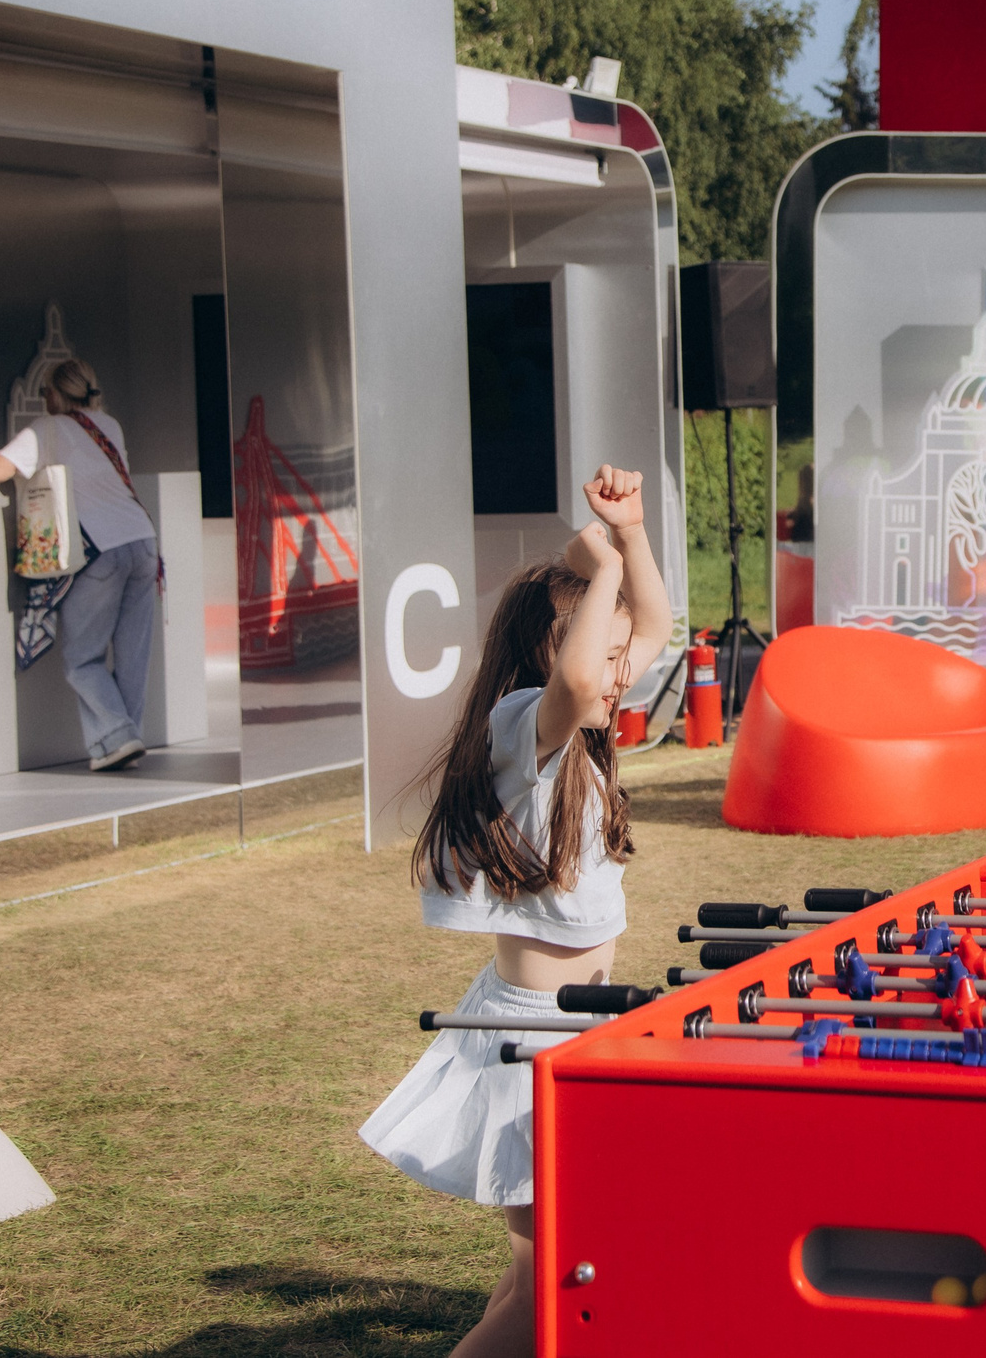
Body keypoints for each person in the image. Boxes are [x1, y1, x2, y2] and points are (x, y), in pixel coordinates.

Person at [361, 466, 672, 1358]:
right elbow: (577, 677)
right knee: (552, 1282)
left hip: (574, 1029)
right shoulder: (523, 721)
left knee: (540, 1267)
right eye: (608, 656)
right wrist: (600, 564)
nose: (622, 675)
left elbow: (654, 628)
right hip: (533, 1040)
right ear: (551, 645)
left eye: (622, 660)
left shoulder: (580, 727)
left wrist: (630, 534)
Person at [0, 358, 161, 772]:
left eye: (46, 392)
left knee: (82, 658)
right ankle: (124, 743)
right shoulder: (109, 425)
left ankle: (118, 737)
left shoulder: (46, 428)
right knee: (132, 656)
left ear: (55, 394)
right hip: (143, 541)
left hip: (99, 550)